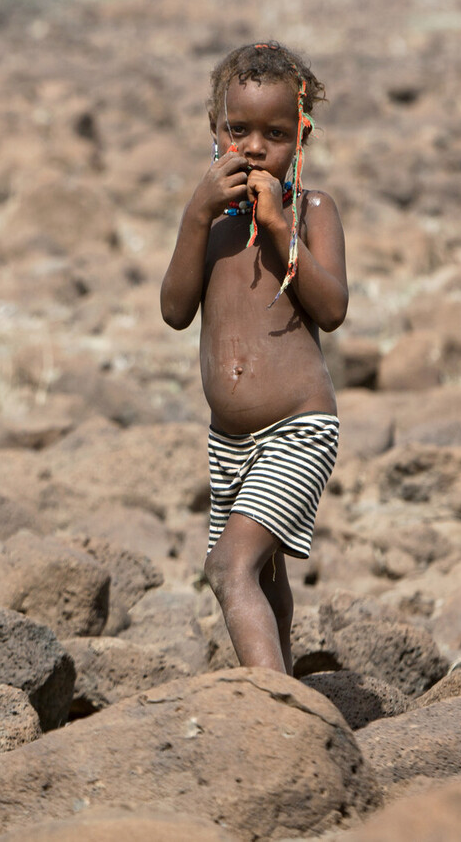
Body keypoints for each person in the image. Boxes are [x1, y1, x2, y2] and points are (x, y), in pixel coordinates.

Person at [158, 41, 347, 674]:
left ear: (303, 137)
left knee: (228, 565)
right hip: (228, 442)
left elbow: (333, 308)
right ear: (215, 131)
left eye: (276, 133)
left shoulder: (311, 211)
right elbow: (175, 310)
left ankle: (273, 707)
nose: (256, 147)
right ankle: (286, 684)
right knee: (263, 575)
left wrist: (279, 229)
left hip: (298, 426)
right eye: (238, 130)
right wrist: (194, 215)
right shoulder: (210, 224)